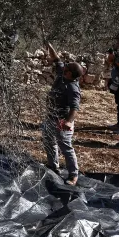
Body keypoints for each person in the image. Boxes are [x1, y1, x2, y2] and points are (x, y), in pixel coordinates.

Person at [43, 42, 83, 185]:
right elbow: (56, 59)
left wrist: (68, 121)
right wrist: (49, 46)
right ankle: (53, 166)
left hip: (62, 120)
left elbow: (75, 108)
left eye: (67, 68)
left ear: (70, 74)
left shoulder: (73, 88)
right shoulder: (62, 74)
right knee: (49, 141)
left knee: (65, 147)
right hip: (50, 116)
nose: (63, 67)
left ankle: (73, 175)